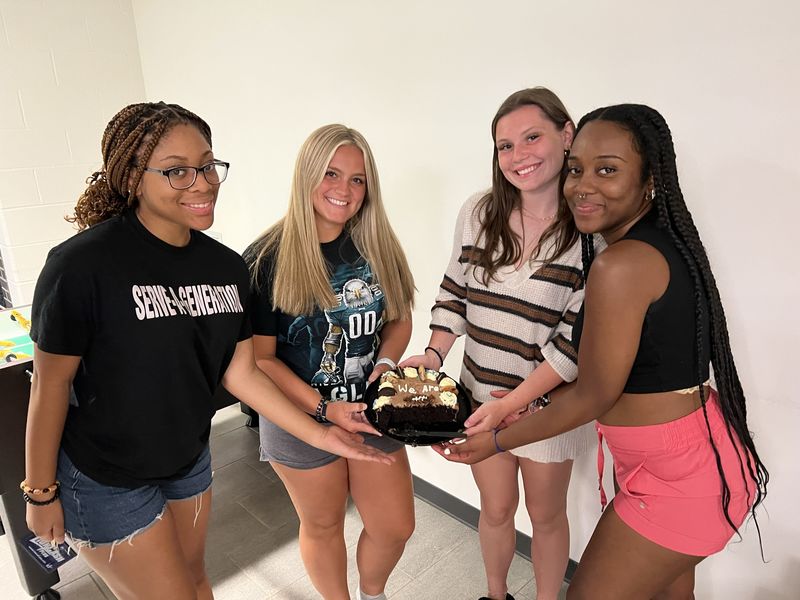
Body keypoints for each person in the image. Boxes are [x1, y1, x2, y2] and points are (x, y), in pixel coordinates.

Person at [23, 102, 393, 600]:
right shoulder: (82, 265)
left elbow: (242, 373)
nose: (202, 183)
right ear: (132, 176)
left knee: (198, 582)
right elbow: (50, 385)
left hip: (188, 462)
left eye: (207, 165)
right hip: (106, 477)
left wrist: (323, 435)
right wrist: (40, 491)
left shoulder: (223, 267)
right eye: (177, 171)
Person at [438, 104, 769, 599]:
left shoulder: (620, 265)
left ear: (650, 179)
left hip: (678, 476)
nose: (582, 185)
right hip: (683, 457)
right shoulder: (646, 245)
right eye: (577, 170)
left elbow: (591, 393)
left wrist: (499, 440)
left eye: (608, 170)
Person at [402, 88, 598, 600]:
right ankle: (495, 595)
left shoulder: (590, 232)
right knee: (494, 509)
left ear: (567, 134)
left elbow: (572, 345)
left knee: (547, 515)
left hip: (545, 408)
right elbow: (454, 292)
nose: (518, 156)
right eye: (504, 146)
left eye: (532, 137)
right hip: (480, 397)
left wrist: (512, 406)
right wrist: (433, 353)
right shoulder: (480, 211)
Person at [244, 124, 416, 600]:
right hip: (299, 417)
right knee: (322, 526)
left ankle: (372, 594)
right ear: (306, 176)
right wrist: (324, 410)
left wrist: (383, 366)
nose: (344, 190)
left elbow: (399, 319)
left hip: (372, 412)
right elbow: (261, 361)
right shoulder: (265, 258)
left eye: (357, 179)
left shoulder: (376, 244)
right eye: (331, 173)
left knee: (395, 526)